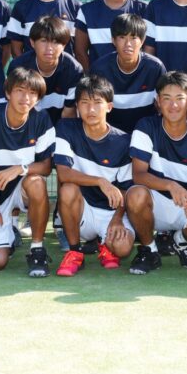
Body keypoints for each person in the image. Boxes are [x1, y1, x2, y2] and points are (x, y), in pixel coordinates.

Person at [126, 71, 187, 274]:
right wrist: (170, 185)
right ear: (158, 101)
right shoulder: (146, 127)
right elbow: (138, 174)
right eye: (166, 98)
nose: (173, 105)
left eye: (179, 98)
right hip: (155, 202)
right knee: (135, 194)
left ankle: (181, 240)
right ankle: (149, 250)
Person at [0, 68, 55, 277]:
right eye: (20, 90)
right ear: (8, 92)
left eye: (32, 93)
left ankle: (37, 249)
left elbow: (46, 167)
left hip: (23, 187)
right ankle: (8, 231)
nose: (26, 97)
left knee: (36, 182)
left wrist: (19, 168)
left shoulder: (41, 119)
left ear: (38, 98)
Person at [54, 75, 136, 277]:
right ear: (77, 106)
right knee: (68, 189)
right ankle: (75, 252)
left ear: (109, 106)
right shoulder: (65, 128)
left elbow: (126, 188)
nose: (91, 109)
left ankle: (106, 245)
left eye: (97, 103)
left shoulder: (124, 141)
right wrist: (100, 181)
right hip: (82, 210)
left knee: (123, 248)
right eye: (84, 103)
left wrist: (117, 219)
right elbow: (63, 173)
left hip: (111, 212)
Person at [89, 13, 167, 134]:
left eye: (133, 38)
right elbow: (93, 108)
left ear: (142, 41)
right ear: (113, 40)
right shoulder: (99, 69)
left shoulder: (155, 68)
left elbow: (163, 106)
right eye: (122, 37)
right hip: (110, 134)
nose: (128, 44)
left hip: (146, 133)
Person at [74, 0, 148, 71]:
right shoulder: (87, 11)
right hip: (99, 80)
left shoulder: (144, 9)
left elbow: (149, 49)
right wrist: (91, 78)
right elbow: (80, 51)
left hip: (136, 79)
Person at [7, 15, 83, 125]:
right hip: (27, 125)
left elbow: (68, 113)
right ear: (32, 43)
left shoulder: (74, 70)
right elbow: (14, 107)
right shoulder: (18, 66)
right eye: (43, 41)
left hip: (58, 125)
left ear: (64, 45)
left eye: (55, 42)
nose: (49, 48)